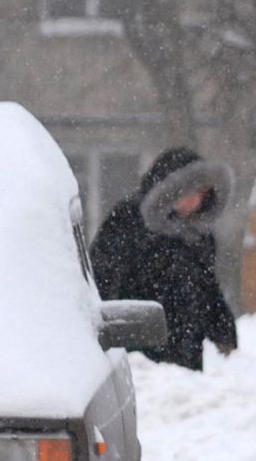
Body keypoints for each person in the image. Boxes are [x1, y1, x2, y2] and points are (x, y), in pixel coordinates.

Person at [91, 147, 239, 371]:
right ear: (167, 191)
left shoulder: (198, 235)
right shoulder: (127, 220)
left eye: (200, 194)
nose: (194, 202)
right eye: (187, 193)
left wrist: (221, 327)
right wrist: (100, 330)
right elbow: (101, 277)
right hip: (135, 352)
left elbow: (205, 285)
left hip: (185, 352)